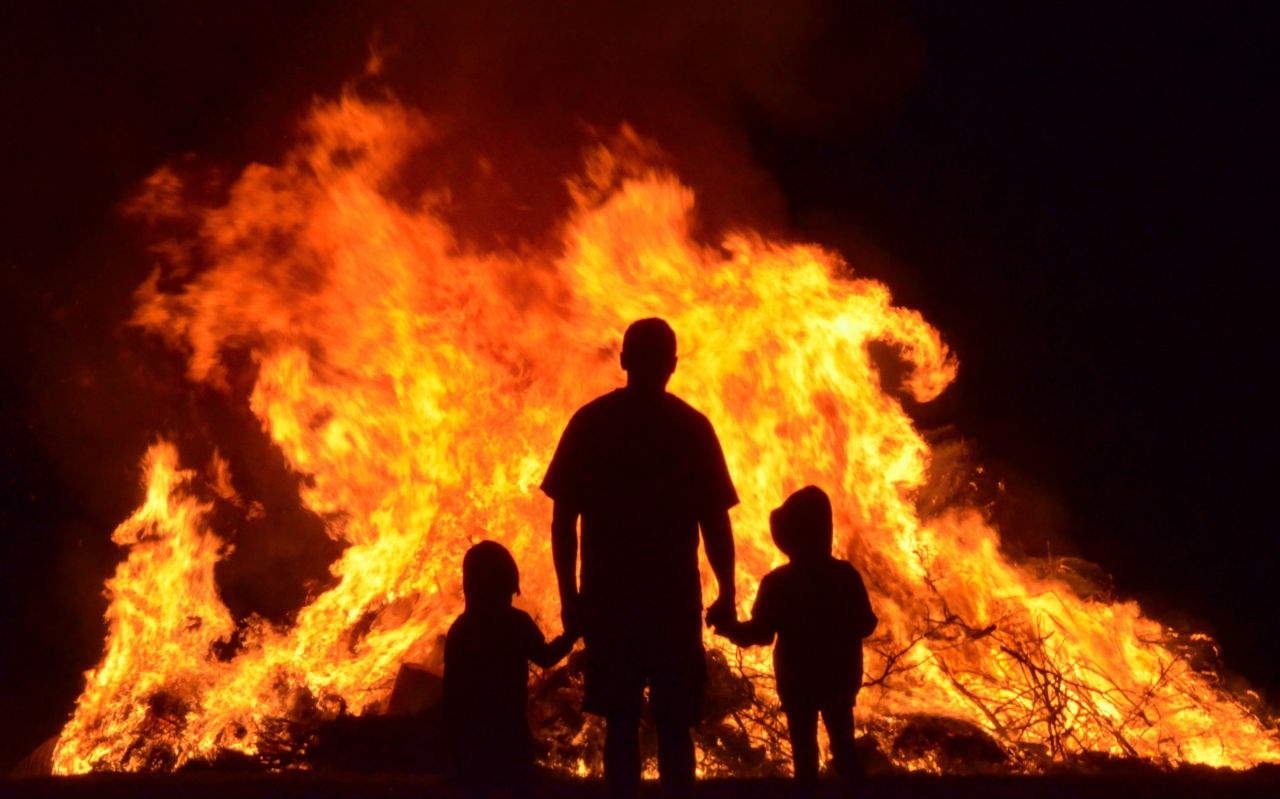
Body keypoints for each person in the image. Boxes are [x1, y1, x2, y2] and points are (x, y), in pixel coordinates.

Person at [541, 318, 739, 796]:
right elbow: (715, 522)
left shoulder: (591, 423)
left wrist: (572, 597)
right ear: (672, 364)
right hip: (672, 600)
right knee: (674, 725)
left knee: (622, 721)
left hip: (611, 600)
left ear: (624, 360)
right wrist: (727, 592)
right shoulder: (691, 427)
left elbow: (563, 521)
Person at [713, 486, 877, 790]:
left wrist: (729, 628)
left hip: (798, 683)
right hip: (838, 681)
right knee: (844, 751)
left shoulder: (779, 583)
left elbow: (759, 634)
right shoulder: (844, 576)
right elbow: (866, 624)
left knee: (805, 758)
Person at [443, 540, 575, 794]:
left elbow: (451, 695)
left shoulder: (460, 630)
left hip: (468, 741)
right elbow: (546, 657)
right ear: (507, 585)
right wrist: (570, 636)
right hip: (510, 735)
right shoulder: (516, 624)